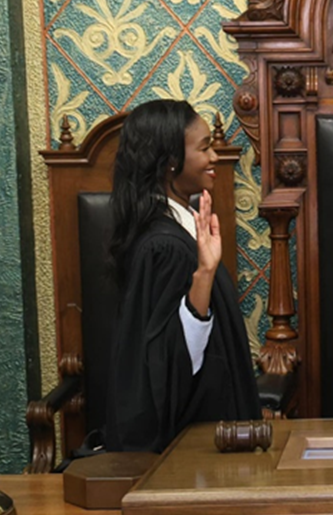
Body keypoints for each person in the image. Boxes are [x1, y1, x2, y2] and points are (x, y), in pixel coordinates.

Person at [106, 99, 260, 452]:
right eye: (204, 148)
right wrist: (204, 274)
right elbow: (168, 366)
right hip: (185, 450)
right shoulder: (164, 246)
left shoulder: (183, 227)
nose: (214, 157)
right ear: (171, 160)